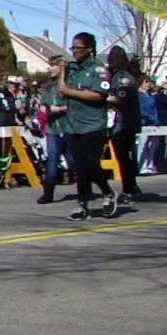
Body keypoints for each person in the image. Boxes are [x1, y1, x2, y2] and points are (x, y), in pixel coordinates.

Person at [58, 32, 113, 220]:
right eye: (73, 48)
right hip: (73, 124)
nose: (75, 52)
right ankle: (83, 204)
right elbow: (62, 91)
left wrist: (71, 92)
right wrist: (62, 71)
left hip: (93, 124)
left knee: (90, 163)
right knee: (79, 167)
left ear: (89, 49)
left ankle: (107, 192)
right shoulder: (72, 69)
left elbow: (99, 95)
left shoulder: (98, 69)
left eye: (78, 48)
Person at [105, 46, 143, 201]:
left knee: (125, 157)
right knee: (123, 157)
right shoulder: (115, 76)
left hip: (124, 122)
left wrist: (102, 97)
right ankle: (130, 186)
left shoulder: (122, 77)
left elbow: (122, 98)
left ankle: (130, 188)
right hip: (119, 123)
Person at [36, 56, 70, 204]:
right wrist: (48, 109)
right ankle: (48, 193)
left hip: (69, 127)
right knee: (52, 160)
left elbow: (76, 105)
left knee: (74, 160)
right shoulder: (48, 86)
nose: (49, 68)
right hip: (53, 128)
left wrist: (60, 108)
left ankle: (89, 188)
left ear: (62, 67)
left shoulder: (71, 84)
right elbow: (44, 106)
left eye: (53, 65)